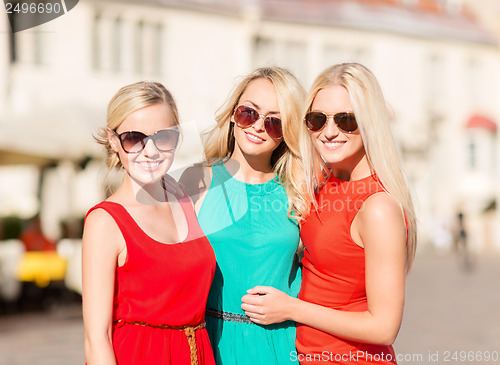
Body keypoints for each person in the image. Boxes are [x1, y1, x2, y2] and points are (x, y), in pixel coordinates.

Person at [241, 63, 417, 364]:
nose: (330, 132)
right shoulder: (322, 183)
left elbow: (384, 328)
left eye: (347, 120)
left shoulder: (377, 207)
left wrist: (291, 309)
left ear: (370, 122)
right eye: (317, 119)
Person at [82, 81, 216, 365]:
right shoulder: (105, 222)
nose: (150, 151)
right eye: (134, 138)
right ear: (113, 140)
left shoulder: (185, 198)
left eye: (163, 137)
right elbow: (97, 339)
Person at [180, 67, 307, 364]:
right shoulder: (196, 181)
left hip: (279, 346)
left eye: (274, 121)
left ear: (287, 132)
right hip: (210, 342)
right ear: (234, 113)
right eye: (249, 113)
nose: (259, 126)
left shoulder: (299, 190)